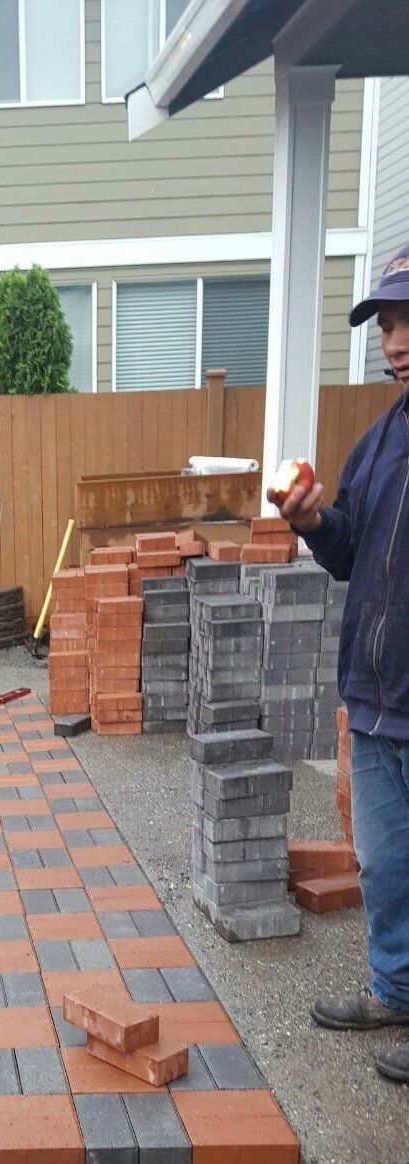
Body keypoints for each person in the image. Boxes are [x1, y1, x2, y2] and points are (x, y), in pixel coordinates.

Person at [270, 246, 409, 1084]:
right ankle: (395, 990)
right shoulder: (380, 439)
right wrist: (315, 520)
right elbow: (352, 551)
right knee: (385, 863)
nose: (396, 340)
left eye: (408, 320)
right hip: (377, 697)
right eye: (389, 324)